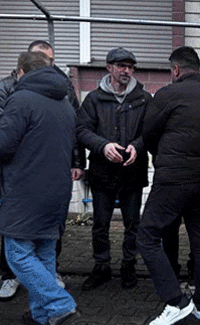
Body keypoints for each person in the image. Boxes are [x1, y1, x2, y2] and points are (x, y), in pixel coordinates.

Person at [0, 51, 78, 325]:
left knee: (17, 252)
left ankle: (59, 304)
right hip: (57, 189)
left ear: (21, 72)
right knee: (44, 251)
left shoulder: (21, 99)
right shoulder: (65, 103)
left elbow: (2, 145)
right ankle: (43, 313)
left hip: (27, 189)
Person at [138, 46, 200, 325]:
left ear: (175, 70)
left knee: (147, 236)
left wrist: (162, 157)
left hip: (172, 180)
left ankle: (176, 300)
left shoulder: (167, 95)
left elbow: (148, 133)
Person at [0, 39, 84, 301]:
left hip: (33, 176)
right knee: (33, 238)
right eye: (43, 60)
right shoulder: (7, 89)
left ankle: (55, 301)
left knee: (22, 242)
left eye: (51, 61)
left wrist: (77, 161)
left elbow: (74, 131)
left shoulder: (61, 92)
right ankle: (30, 294)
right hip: (28, 175)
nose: (47, 65)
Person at [77, 47, 152, 290]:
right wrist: (102, 145)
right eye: (121, 66)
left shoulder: (144, 99)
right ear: (109, 68)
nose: (126, 71)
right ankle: (102, 266)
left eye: (130, 67)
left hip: (133, 170)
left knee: (133, 223)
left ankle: (128, 265)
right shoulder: (93, 99)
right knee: (101, 223)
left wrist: (138, 147)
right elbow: (81, 131)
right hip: (102, 171)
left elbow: (151, 131)